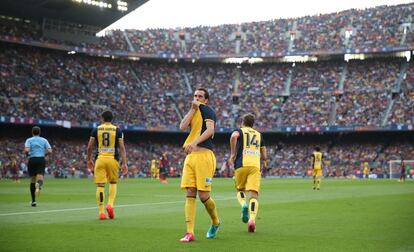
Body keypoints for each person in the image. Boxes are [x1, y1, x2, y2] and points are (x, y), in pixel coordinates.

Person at [178, 87, 220, 242]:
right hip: (191, 157)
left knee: (203, 196)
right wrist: (191, 110)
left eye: (200, 96)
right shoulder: (193, 111)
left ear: (206, 100)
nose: (197, 98)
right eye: (195, 95)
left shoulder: (208, 111)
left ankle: (215, 222)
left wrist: (194, 141)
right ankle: (189, 232)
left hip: (204, 156)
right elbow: (182, 127)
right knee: (190, 192)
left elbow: (210, 130)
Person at [228, 114, 267, 233]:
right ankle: (252, 220)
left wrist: (233, 154)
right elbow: (264, 155)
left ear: (242, 122)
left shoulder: (240, 130)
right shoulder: (259, 135)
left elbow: (233, 136)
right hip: (255, 166)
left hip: (241, 164)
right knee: (254, 194)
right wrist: (263, 160)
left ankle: (243, 204)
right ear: (253, 124)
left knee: (240, 190)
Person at [87, 111, 128, 220]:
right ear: (112, 119)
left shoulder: (96, 129)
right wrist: (124, 163)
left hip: (100, 159)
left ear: (102, 118)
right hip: (113, 159)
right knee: (113, 183)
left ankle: (101, 213)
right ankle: (110, 204)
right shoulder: (117, 130)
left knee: (100, 185)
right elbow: (122, 148)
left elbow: (89, 147)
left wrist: (89, 160)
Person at [24, 126, 52, 207]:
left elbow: (26, 150)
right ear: (39, 132)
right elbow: (50, 151)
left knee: (32, 180)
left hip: (32, 159)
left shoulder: (29, 140)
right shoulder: (44, 140)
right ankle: (38, 185)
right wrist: (44, 154)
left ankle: (33, 201)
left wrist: (27, 155)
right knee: (40, 178)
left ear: (32, 132)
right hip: (41, 159)